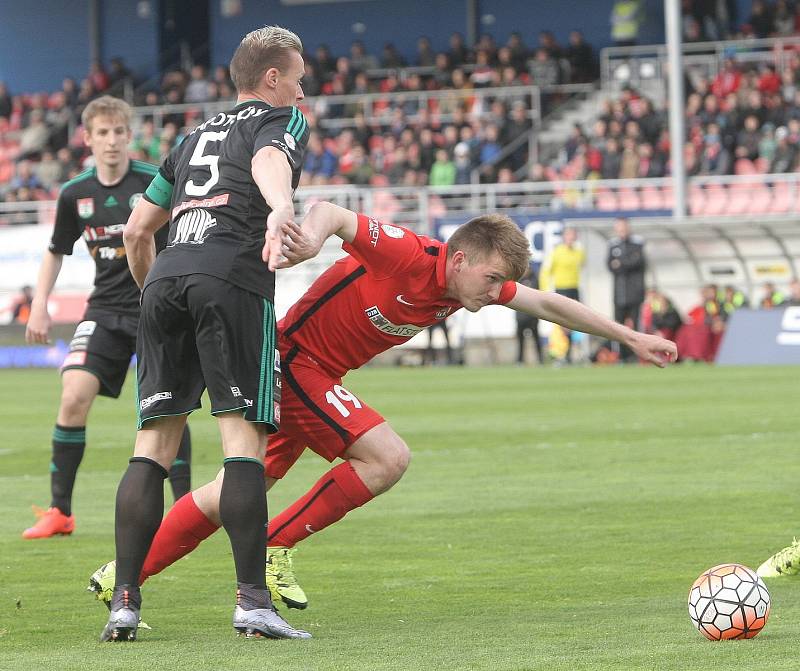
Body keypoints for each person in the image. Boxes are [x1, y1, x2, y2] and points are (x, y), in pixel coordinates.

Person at [89, 201, 677, 614]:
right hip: (293, 363)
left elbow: (550, 304)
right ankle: (275, 548)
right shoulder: (411, 255)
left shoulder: (469, 284)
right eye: (491, 278)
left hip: (313, 375)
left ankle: (124, 572)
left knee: (230, 494)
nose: (494, 292)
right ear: (460, 257)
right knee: (387, 458)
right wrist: (316, 238)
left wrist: (631, 339)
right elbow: (332, 211)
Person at [100, 25, 311, 642]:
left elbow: (138, 231)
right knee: (242, 446)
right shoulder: (279, 122)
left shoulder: (191, 136)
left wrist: (152, 296)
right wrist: (280, 207)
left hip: (165, 282)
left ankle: (125, 603)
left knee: (152, 448)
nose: (301, 90)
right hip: (232, 282)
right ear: (272, 79)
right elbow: (273, 161)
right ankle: (251, 602)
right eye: (296, 77)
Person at [22, 96, 192, 541]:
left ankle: (187, 510)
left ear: (129, 136)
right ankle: (60, 512)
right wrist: (40, 302)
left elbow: (183, 239)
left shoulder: (154, 181)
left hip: (153, 306)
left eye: (119, 132)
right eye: (103, 133)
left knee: (165, 405)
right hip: (103, 310)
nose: (112, 141)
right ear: (88, 138)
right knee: (73, 393)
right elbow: (56, 251)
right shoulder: (74, 193)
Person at [540, 227, 585, 363]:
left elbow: (582, 266)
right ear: (564, 237)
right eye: (568, 235)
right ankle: (560, 353)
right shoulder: (557, 252)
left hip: (574, 289)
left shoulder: (579, 252)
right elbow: (546, 272)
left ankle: (571, 353)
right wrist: (545, 290)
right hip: (561, 290)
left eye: (573, 235)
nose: (571, 238)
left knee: (574, 324)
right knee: (561, 324)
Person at [606, 217, 646, 362]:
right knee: (619, 326)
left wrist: (621, 263)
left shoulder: (637, 243)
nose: (622, 230)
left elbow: (637, 261)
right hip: (619, 294)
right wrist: (626, 262)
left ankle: (637, 355)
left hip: (635, 293)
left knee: (635, 325)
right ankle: (622, 356)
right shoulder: (613, 245)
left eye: (624, 227)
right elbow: (610, 266)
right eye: (619, 228)